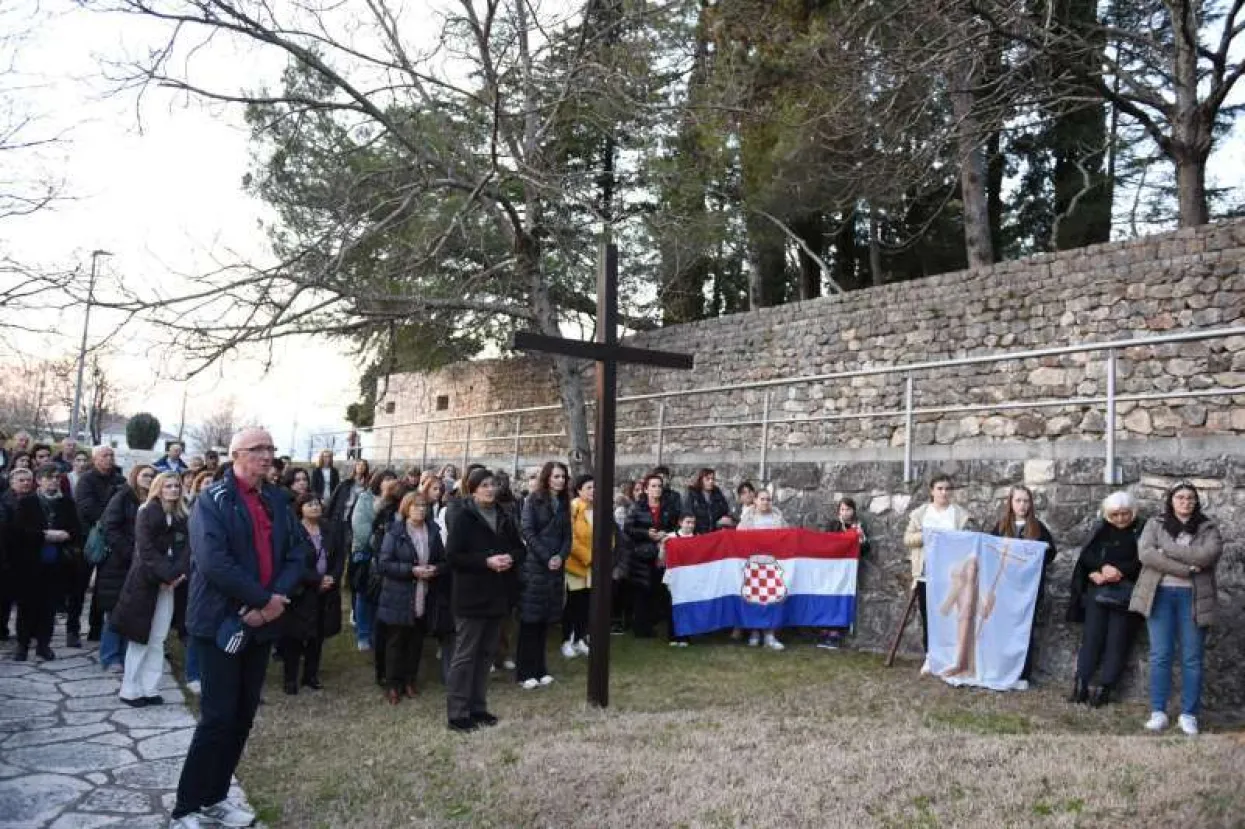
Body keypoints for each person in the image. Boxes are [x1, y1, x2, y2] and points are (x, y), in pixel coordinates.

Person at [169, 428, 305, 829]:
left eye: (270, 448)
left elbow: (296, 553)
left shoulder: (276, 499)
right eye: (258, 449)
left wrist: (272, 601)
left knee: (243, 716)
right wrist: (262, 601)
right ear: (236, 455)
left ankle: (215, 799)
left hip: (262, 623)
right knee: (217, 717)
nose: (267, 455)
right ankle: (186, 808)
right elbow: (214, 563)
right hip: (220, 623)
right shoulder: (213, 500)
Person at [1131, 483, 1224, 737]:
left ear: (1196, 502)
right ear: (1171, 500)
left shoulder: (1208, 528)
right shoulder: (1155, 524)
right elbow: (1146, 554)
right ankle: (1158, 712)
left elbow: (1207, 556)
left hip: (1193, 598)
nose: (1185, 502)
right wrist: (1185, 567)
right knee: (1160, 654)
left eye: (1190, 498)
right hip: (1160, 595)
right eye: (1180, 497)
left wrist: (1167, 550)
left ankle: (1188, 715)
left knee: (1192, 658)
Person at [445, 468, 523, 733]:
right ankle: (457, 712)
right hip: (471, 595)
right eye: (484, 485)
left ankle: (478, 707)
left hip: (497, 594)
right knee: (465, 655)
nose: (490, 489)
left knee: (486, 654)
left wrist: (510, 558)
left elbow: (520, 548)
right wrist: (485, 561)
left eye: (493, 484)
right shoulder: (463, 516)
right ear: (473, 488)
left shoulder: (504, 515)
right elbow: (453, 556)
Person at [112, 472, 190, 706]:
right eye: (168, 486)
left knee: (158, 638)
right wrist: (167, 575)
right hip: (145, 582)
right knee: (140, 637)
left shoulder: (182, 517)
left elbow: (187, 549)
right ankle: (130, 689)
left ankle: (150, 688)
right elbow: (145, 550)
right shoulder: (145, 512)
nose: (173, 490)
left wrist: (177, 575)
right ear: (158, 488)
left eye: (177, 486)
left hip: (170, 584)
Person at [1066, 492, 1143, 708]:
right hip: (1098, 592)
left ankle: (1105, 689)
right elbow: (1087, 557)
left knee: (1117, 642)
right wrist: (1098, 570)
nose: (1120, 518)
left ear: (1132, 512)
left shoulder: (1141, 531)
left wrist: (1118, 571)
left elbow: (1144, 560)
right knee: (1091, 638)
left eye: (1124, 514)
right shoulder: (1100, 530)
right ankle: (1081, 684)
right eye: (1115, 514)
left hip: (1125, 594)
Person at [377, 492, 450, 703]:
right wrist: (411, 570)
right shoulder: (395, 532)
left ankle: (410, 681)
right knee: (396, 642)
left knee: (416, 641)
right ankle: (393, 684)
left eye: (424, 506)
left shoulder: (433, 531)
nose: (421, 509)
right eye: (416, 506)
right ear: (406, 508)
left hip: (425, 593)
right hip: (400, 595)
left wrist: (434, 569)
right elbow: (384, 564)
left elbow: (444, 561)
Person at [987, 485, 1057, 682]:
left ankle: (1021, 674)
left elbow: (1050, 553)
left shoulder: (1038, 528)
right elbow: (991, 552)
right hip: (1004, 590)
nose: (1022, 505)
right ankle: (1000, 670)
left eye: (1026, 501)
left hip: (1028, 592)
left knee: (1024, 631)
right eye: (1018, 500)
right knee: (1002, 630)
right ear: (1010, 502)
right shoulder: (1001, 527)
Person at [6, 467, 76, 661]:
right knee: (27, 605)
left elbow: (76, 529)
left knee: (49, 606)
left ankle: (44, 645)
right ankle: (23, 644)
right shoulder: (27, 503)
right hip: (29, 562)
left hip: (56, 562)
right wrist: (44, 535)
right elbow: (18, 532)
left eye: (56, 478)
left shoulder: (66, 503)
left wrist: (66, 535)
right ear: (39, 480)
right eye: (49, 478)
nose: (53, 481)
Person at [278, 494, 343, 695]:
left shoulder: (329, 528)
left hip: (325, 591)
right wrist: (316, 579)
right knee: (294, 637)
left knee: (317, 635)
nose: (315, 507)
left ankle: (311, 676)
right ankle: (290, 679)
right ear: (300, 508)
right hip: (301, 591)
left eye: (317, 503)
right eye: (310, 504)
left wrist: (332, 577)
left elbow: (340, 556)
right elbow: (290, 561)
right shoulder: (293, 531)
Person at [96, 464, 156, 672]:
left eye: (152, 476)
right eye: (145, 475)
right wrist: (129, 552)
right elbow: (109, 526)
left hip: (143, 565)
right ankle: (111, 656)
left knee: (133, 611)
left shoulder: (154, 501)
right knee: (115, 612)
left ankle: (126, 656)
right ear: (135, 476)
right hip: (119, 564)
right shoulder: (122, 496)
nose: (149, 478)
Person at [902, 474, 972, 653]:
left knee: (951, 617)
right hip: (926, 573)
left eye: (948, 489)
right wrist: (926, 536)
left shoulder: (960, 515)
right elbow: (908, 539)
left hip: (950, 574)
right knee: (929, 616)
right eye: (940, 488)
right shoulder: (921, 514)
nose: (944, 492)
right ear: (932, 491)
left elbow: (967, 543)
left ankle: (951, 655)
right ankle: (930, 656)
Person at [517, 461, 569, 688]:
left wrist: (561, 555)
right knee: (530, 621)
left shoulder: (564, 503)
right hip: (536, 567)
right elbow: (528, 531)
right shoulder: (533, 500)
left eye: (563, 477)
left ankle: (540, 668)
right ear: (547, 477)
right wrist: (547, 556)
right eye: (556, 476)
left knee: (545, 620)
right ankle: (524, 671)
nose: (560, 480)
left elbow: (568, 535)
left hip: (555, 568)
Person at [74, 445, 126, 645]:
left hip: (113, 539)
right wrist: (109, 517)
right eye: (105, 455)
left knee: (103, 587)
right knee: (80, 584)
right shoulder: (86, 480)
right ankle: (73, 628)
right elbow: (86, 507)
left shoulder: (120, 480)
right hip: (89, 538)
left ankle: (96, 629)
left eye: (112, 455)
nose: (109, 458)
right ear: (95, 459)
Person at [624, 474, 681, 641]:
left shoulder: (668, 507)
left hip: (662, 554)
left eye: (659, 486)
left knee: (660, 590)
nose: (657, 489)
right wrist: (646, 534)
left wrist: (665, 534)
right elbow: (628, 528)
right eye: (653, 486)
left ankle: (656, 624)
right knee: (642, 592)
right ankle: (641, 629)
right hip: (642, 555)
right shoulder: (637, 507)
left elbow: (675, 525)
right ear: (646, 489)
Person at [349, 469, 397, 652]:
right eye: (386, 479)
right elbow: (360, 529)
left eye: (393, 478)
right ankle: (363, 634)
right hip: (365, 553)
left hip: (386, 555)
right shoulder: (365, 499)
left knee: (382, 595)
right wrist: (379, 546)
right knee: (364, 594)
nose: (390, 482)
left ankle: (379, 634)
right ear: (378, 481)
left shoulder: (396, 502)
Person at [736, 491, 787, 650]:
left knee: (771, 598)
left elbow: (788, 537)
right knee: (754, 598)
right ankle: (754, 632)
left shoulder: (778, 517)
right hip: (754, 564)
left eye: (768, 499)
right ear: (756, 501)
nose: (765, 502)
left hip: (772, 564)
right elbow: (738, 538)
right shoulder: (748, 518)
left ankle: (770, 634)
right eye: (762, 499)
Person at [820, 497, 870, 649]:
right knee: (828, 598)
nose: (845, 512)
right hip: (832, 569)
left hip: (847, 571)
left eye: (848, 509)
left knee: (841, 599)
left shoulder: (858, 526)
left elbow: (865, 550)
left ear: (853, 510)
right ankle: (825, 630)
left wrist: (860, 537)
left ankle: (836, 631)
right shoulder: (833, 525)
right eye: (842, 509)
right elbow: (825, 543)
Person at [563, 473, 602, 658]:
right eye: (588, 487)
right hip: (576, 565)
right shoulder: (573, 508)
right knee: (573, 603)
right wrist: (589, 557)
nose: (593, 491)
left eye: (595, 487)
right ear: (579, 490)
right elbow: (571, 538)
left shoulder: (599, 509)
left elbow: (607, 534)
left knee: (586, 604)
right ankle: (567, 640)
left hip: (593, 567)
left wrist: (604, 555)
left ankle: (579, 638)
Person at [683, 467, 735, 534]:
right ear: (701, 480)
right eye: (707, 479)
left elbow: (725, 510)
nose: (711, 481)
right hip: (698, 532)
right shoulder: (692, 493)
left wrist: (723, 519)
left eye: (712, 479)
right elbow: (688, 513)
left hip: (715, 532)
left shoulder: (717, 493)